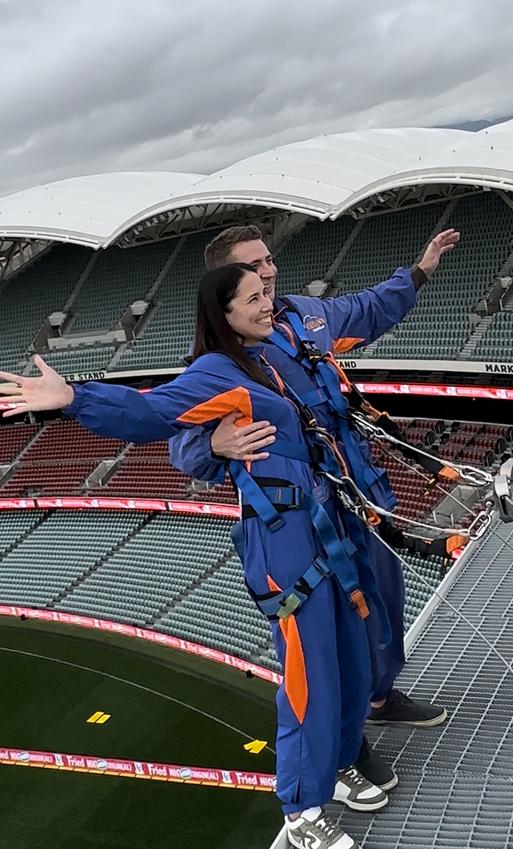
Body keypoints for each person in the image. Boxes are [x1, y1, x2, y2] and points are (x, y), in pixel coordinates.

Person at [0, 263, 394, 849]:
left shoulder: (276, 354)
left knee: (344, 657)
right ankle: (302, 810)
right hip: (286, 542)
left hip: (328, 527)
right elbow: (151, 413)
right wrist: (75, 398)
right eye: (255, 298)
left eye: (267, 294)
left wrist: (412, 276)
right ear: (225, 314)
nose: (270, 304)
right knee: (308, 674)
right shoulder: (218, 371)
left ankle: (337, 767)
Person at [168, 225, 459, 777]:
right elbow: (184, 447)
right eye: (253, 268)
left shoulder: (304, 313)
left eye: (269, 261)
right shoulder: (217, 357)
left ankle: (380, 697)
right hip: (313, 511)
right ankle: (346, 744)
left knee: (386, 594)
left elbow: (367, 309)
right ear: (224, 284)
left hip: (363, 486)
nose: (268, 272)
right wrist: (214, 442)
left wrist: (419, 271)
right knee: (343, 623)